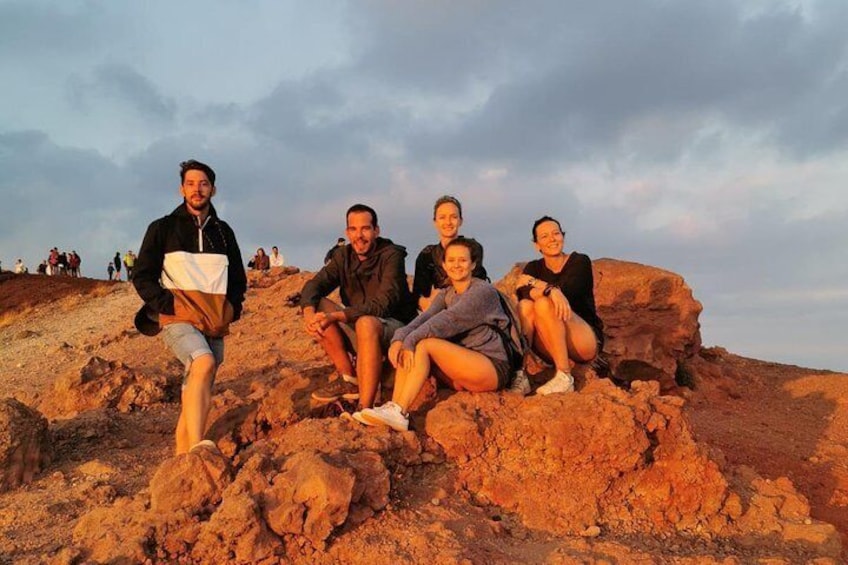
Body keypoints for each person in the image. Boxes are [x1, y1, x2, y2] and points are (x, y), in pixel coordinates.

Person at [133, 159, 247, 455]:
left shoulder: (223, 232)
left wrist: (232, 308)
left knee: (198, 387)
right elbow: (142, 275)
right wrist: (168, 305)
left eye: (204, 184)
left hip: (215, 320)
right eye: (191, 183)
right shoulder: (162, 228)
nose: (198, 189)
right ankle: (198, 447)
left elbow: (237, 278)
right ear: (182, 189)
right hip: (177, 318)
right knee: (203, 362)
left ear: (213, 189)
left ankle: (183, 459)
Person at [354, 238, 510, 431]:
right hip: (463, 365)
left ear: (473, 264)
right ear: (444, 265)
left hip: (492, 366)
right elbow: (423, 319)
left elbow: (446, 321)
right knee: (414, 342)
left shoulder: (482, 292)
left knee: (425, 343)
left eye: (462, 260)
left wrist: (409, 340)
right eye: (451, 260)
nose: (457, 265)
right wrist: (399, 339)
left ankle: (399, 411)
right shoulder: (447, 294)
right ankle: (394, 407)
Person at [300, 204, 416, 409]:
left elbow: (383, 304)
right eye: (353, 229)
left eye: (365, 229)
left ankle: (365, 407)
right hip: (360, 327)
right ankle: (349, 379)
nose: (359, 235)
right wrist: (309, 314)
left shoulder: (392, 255)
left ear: (376, 230)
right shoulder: (343, 256)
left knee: (366, 323)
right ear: (347, 232)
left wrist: (336, 317)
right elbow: (314, 285)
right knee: (317, 304)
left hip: (394, 330)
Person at [510, 216, 604, 395]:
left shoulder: (580, 261)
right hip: (550, 343)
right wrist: (551, 290)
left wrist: (540, 286)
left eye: (556, 233)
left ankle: (564, 376)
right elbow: (522, 292)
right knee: (525, 306)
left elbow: (570, 291)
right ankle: (520, 375)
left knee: (544, 304)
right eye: (544, 236)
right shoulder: (534, 267)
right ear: (537, 245)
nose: (552, 239)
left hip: (583, 340)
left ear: (563, 236)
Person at [412, 195, 488, 312]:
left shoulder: (473, 248)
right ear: (435, 222)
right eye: (442, 217)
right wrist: (424, 302)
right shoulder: (427, 255)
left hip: (469, 307)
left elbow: (470, 284)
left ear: (460, 221)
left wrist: (441, 296)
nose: (448, 222)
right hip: (436, 312)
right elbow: (418, 293)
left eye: (453, 217)